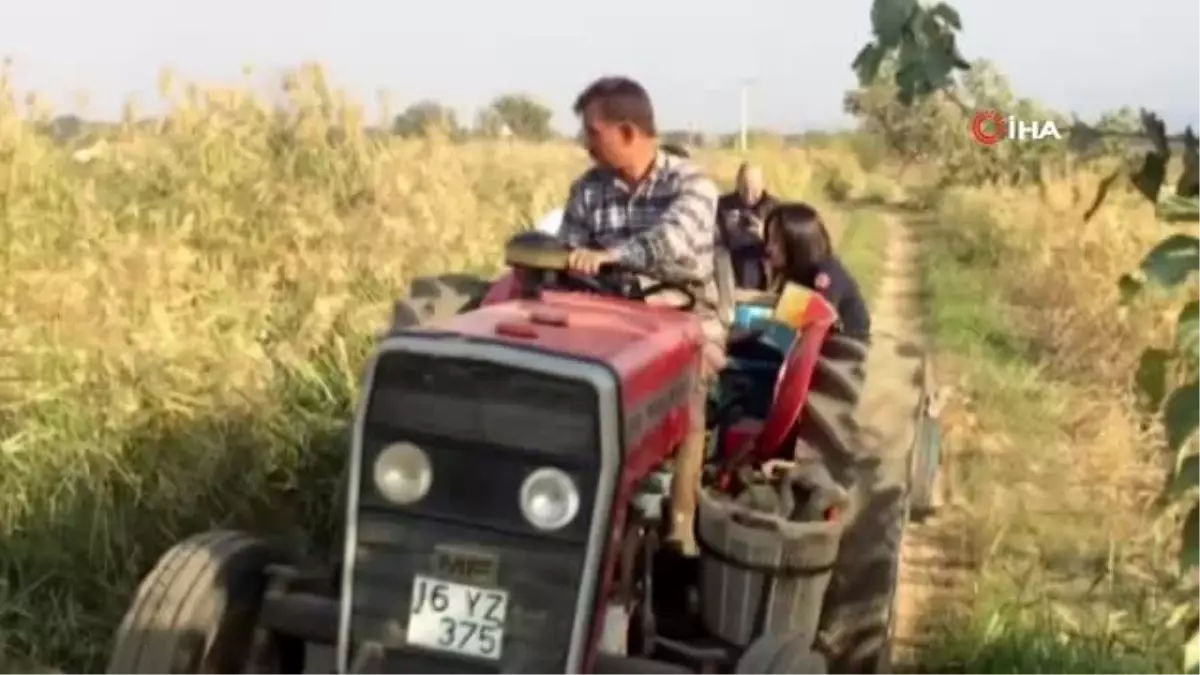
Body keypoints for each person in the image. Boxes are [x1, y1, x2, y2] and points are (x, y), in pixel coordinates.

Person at [557, 75, 724, 555]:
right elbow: (568, 247)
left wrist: (611, 256)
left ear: (627, 132)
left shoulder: (691, 185)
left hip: (682, 313)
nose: (585, 144)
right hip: (604, 314)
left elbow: (672, 241)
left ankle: (681, 519)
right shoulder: (588, 191)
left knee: (690, 378)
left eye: (592, 132)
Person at [763, 202, 871, 340]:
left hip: (843, 348)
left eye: (776, 241)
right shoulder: (798, 269)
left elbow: (802, 327)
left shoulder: (825, 276)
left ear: (798, 242)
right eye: (769, 238)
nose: (768, 248)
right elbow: (784, 315)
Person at [716, 162, 779, 290]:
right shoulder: (722, 205)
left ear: (763, 184)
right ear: (737, 184)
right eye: (744, 189)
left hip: (763, 267)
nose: (749, 196)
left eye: (754, 190)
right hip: (730, 266)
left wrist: (765, 234)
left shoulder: (775, 208)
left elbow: (788, 246)